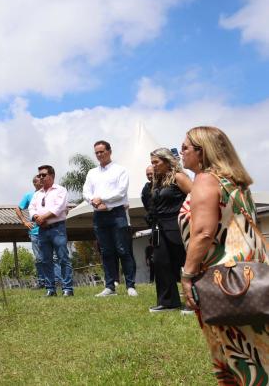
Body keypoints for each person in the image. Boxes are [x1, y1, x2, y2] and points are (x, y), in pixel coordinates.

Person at [179, 126, 268, 383]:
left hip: (225, 280)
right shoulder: (234, 183)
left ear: (202, 151)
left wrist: (187, 274)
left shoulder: (206, 180)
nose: (181, 153)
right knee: (257, 349)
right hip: (251, 274)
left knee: (238, 352)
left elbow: (204, 233)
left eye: (185, 148)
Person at [83, 140, 136, 297]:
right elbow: (86, 191)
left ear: (109, 151)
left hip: (117, 213)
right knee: (106, 251)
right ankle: (110, 286)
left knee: (123, 249)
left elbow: (121, 192)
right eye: (97, 153)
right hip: (99, 215)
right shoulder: (92, 172)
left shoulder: (120, 170)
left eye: (102, 151)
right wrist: (93, 200)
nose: (99, 155)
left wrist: (102, 200)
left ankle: (130, 285)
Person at [143, 149, 192, 313]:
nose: (153, 166)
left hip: (178, 226)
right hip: (159, 228)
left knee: (186, 263)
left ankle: (195, 301)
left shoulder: (179, 177)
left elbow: (196, 197)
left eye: (156, 162)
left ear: (167, 161)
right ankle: (168, 302)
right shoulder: (158, 181)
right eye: (152, 162)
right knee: (161, 263)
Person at [29, 165, 73, 297]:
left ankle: (67, 288)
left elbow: (59, 208)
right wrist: (36, 217)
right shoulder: (37, 194)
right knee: (45, 260)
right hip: (42, 230)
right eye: (39, 175)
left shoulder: (60, 190)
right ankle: (50, 289)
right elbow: (31, 208)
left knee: (63, 258)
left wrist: (43, 217)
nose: (41, 177)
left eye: (44, 175)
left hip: (57, 228)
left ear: (52, 176)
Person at [15, 175, 47, 288]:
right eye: (40, 181)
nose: (43, 181)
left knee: (53, 257)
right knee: (39, 258)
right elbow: (18, 208)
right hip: (35, 232)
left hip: (49, 229)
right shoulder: (29, 196)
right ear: (35, 183)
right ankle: (42, 281)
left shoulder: (48, 193)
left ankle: (56, 280)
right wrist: (25, 221)